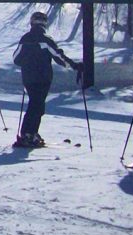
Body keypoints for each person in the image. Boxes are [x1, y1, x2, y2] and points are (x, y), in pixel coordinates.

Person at [12, 11, 81, 148]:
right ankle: (28, 134)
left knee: (35, 104)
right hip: (43, 77)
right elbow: (59, 56)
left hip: (28, 77)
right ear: (44, 24)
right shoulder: (45, 39)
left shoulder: (25, 38)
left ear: (32, 23)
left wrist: (27, 62)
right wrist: (74, 66)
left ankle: (31, 132)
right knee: (37, 105)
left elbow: (16, 59)